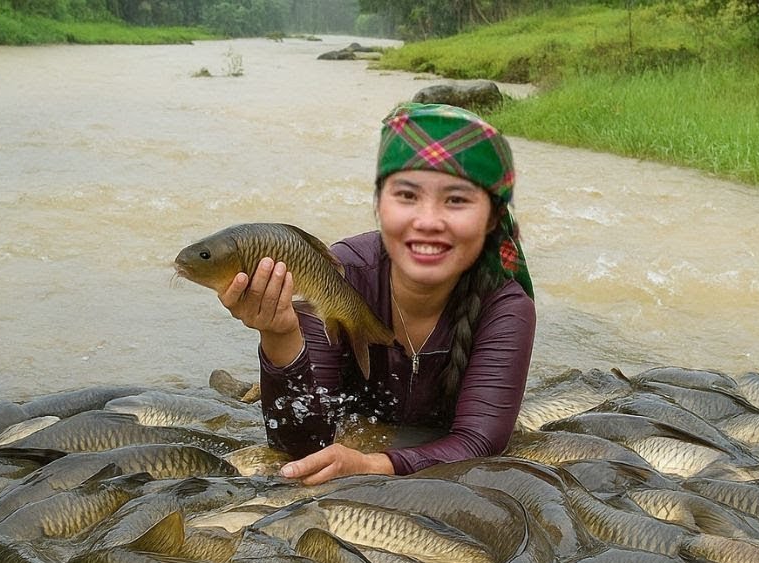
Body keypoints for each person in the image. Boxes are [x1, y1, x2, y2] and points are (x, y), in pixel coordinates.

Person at [218, 102, 536, 485]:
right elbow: (301, 447)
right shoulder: (340, 274)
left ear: (491, 220)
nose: (428, 221)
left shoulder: (505, 306)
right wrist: (280, 336)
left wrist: (373, 465)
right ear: (378, 205)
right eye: (407, 196)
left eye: (456, 200)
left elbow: (477, 443)